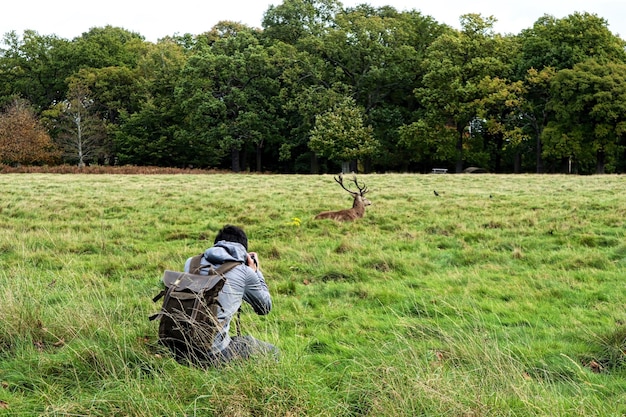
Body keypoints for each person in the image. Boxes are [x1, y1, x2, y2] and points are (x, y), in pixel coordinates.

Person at [183, 224, 278, 365]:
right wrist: (256, 271)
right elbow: (264, 308)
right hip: (212, 353)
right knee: (273, 351)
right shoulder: (245, 272)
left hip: (180, 346)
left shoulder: (191, 262)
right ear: (244, 252)